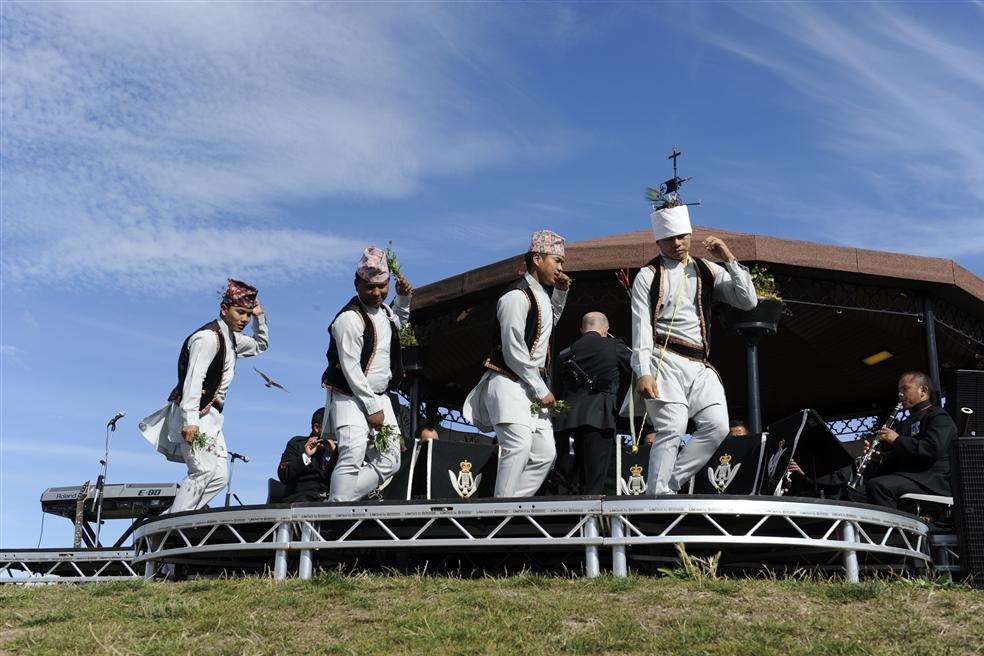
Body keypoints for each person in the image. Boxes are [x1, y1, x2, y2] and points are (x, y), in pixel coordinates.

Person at [625, 203, 757, 494]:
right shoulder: (648, 275)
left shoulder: (706, 268)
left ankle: (667, 485)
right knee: (672, 427)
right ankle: (657, 495)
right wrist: (644, 372)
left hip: (700, 364)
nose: (677, 243)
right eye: (670, 238)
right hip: (664, 359)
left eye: (682, 236)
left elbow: (748, 301)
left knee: (717, 427)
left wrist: (729, 259)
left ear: (690, 234)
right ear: (658, 240)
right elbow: (641, 327)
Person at [139, 279, 269, 512]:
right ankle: (173, 526)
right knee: (203, 470)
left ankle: (178, 517)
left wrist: (260, 317)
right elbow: (193, 379)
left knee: (219, 477)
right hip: (196, 414)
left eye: (248, 314)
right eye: (240, 312)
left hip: (213, 417)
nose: (244, 319)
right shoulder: (208, 338)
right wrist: (190, 422)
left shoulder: (232, 338)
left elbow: (260, 345)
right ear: (223, 309)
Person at [463, 230, 570, 497]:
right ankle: (501, 515)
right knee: (519, 447)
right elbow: (513, 351)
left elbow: (549, 321)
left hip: (531, 386)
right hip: (509, 382)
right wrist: (540, 388)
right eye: (557, 260)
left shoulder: (542, 294)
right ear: (537, 258)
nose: (561, 267)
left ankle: (510, 508)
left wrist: (561, 292)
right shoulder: (515, 296)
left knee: (546, 453)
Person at [321, 247, 412, 502]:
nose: (377, 293)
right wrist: (371, 406)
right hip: (350, 396)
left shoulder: (386, 311)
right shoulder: (348, 319)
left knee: (391, 459)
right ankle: (335, 513)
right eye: (370, 287)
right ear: (356, 284)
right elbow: (350, 368)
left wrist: (402, 299)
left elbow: (396, 327)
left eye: (382, 287)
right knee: (352, 451)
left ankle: (337, 503)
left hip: (380, 396)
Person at [551, 312, 632, 494]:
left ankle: (565, 520)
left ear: (582, 329)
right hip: (599, 419)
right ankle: (589, 520)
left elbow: (555, 390)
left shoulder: (564, 353)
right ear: (606, 329)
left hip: (566, 422)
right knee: (594, 480)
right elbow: (639, 367)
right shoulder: (613, 346)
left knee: (566, 479)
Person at [860, 371, 956, 509]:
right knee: (855, 494)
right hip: (908, 477)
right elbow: (901, 458)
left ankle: (894, 529)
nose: (900, 394)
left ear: (923, 390)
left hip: (931, 480)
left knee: (878, 486)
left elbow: (932, 449)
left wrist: (897, 439)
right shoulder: (904, 423)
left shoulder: (937, 416)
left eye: (905, 389)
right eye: (899, 391)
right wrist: (879, 458)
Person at [277, 408, 337, 502]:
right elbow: (283, 475)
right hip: (302, 502)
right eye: (331, 427)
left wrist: (335, 454)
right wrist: (306, 455)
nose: (336, 431)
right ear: (317, 428)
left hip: (333, 501)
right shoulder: (297, 444)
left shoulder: (338, 449)